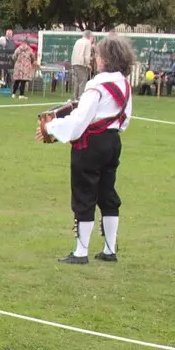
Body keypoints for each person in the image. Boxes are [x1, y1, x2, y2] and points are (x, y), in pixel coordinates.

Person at [38, 33, 136, 265]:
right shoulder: (124, 84)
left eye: (98, 55)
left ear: (106, 59)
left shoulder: (96, 85)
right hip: (112, 142)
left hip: (91, 144)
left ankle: (81, 251)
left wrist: (52, 126)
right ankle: (110, 249)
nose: (95, 59)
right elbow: (125, 119)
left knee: (84, 193)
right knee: (107, 193)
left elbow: (80, 120)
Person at [69, 30, 94, 97]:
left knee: (76, 82)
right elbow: (86, 55)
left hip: (74, 63)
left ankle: (75, 99)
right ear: (90, 36)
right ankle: (81, 99)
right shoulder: (88, 42)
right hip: (81, 64)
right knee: (83, 82)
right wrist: (88, 64)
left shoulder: (78, 41)